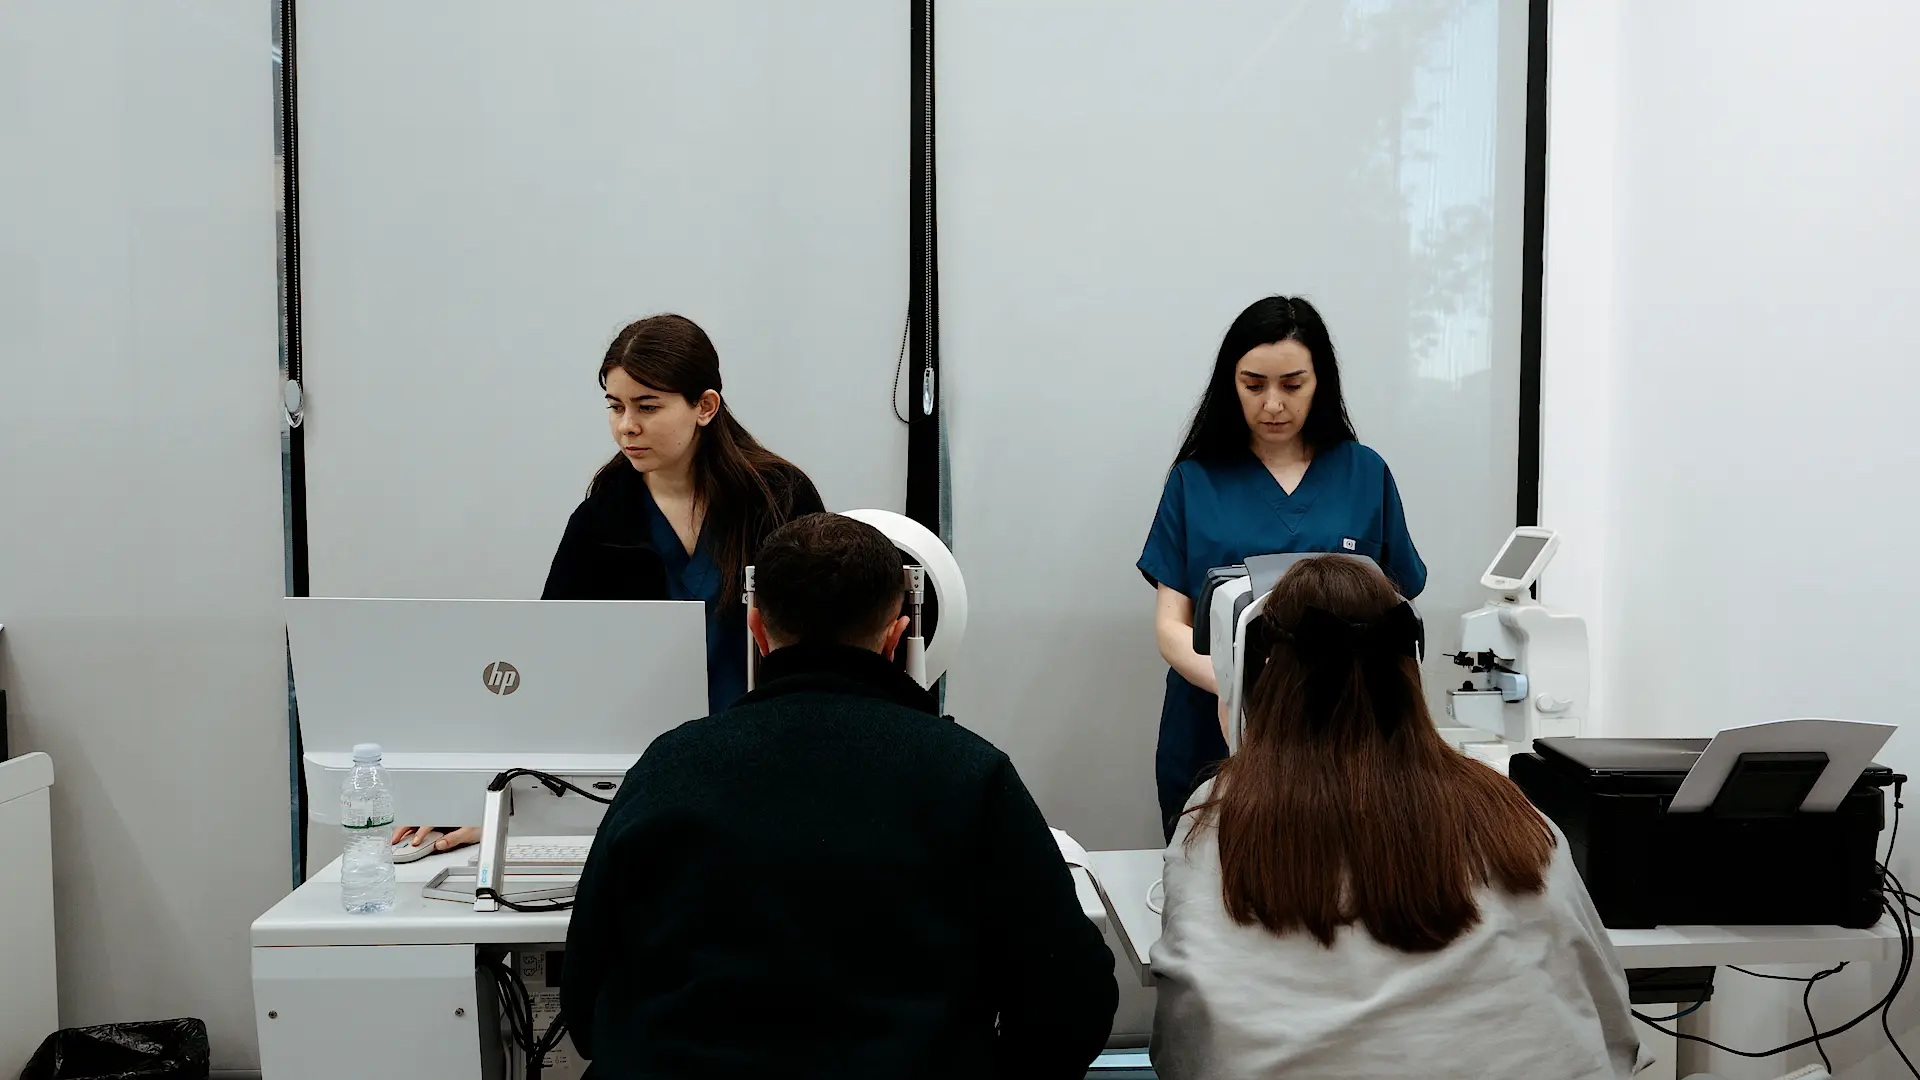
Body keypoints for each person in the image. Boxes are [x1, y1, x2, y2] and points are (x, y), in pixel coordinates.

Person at [561, 513, 1119, 1078]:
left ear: (756, 629)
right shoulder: (971, 775)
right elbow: (1073, 1004)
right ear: (896, 637)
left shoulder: (668, 766)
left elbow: (583, 1004)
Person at [1150, 556, 1649, 1080]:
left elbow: (1185, 1041)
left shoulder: (1219, 822)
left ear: (1262, 677)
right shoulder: (1508, 812)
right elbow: (1611, 1025)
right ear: (1410, 666)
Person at [395, 314, 822, 857]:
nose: (626, 427)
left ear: (705, 406)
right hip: (644, 782)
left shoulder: (780, 499)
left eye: (647, 407)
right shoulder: (601, 519)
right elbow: (545, 665)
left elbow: (828, 646)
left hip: (772, 771)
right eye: (615, 407)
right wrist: (494, 804)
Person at [1137, 295, 1426, 840]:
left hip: (1344, 735)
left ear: (1321, 383)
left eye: (1292, 385)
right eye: (1254, 385)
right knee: (1213, 871)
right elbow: (1170, 628)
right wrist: (1238, 688)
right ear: (1231, 384)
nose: (1273, 404)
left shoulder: (1365, 474)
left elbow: (1397, 612)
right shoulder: (1194, 481)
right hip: (1213, 728)